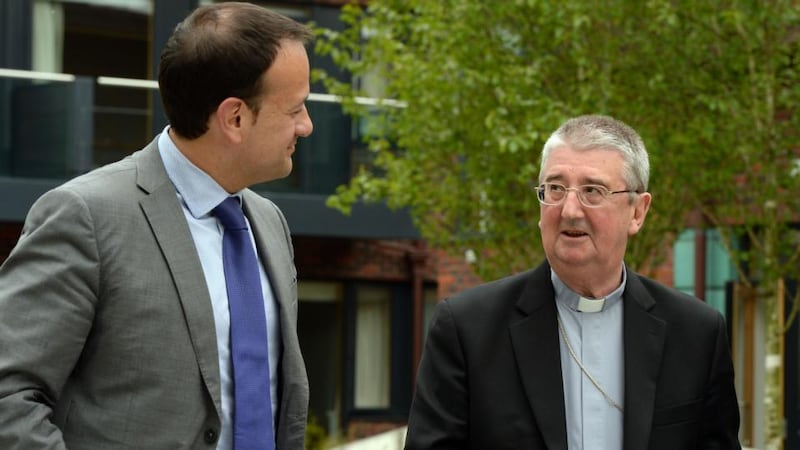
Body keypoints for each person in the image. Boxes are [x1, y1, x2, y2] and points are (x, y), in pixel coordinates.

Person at [0, 2, 313, 449]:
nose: (307, 126)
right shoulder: (85, 216)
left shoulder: (269, 223)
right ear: (235, 118)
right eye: (296, 108)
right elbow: (8, 393)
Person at [404, 115, 741, 450]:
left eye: (592, 191)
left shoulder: (696, 334)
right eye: (555, 188)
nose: (568, 210)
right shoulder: (467, 330)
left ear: (637, 211)